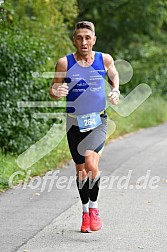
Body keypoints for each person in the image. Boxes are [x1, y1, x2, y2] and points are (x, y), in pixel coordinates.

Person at [49, 21, 119, 233]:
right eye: (79, 38)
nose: (84, 42)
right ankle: (85, 212)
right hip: (74, 122)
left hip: (98, 120)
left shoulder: (104, 59)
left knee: (91, 162)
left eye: (88, 38)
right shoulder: (65, 63)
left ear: (94, 40)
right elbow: (53, 88)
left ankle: (95, 209)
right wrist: (56, 91)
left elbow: (114, 74)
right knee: (81, 171)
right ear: (74, 40)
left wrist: (115, 89)